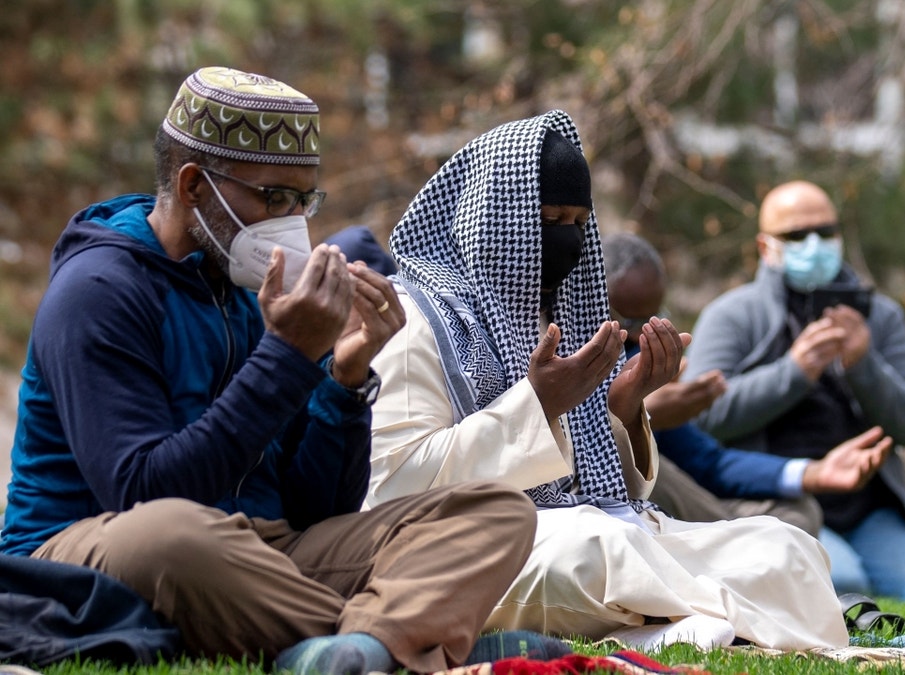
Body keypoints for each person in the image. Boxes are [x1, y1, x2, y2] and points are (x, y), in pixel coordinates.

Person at [0, 66, 544, 675]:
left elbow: (316, 511)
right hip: (92, 548)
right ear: (193, 186)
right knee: (172, 535)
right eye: (272, 196)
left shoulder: (250, 286)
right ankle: (401, 641)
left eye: (304, 199)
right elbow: (142, 492)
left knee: (494, 510)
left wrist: (345, 378)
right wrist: (285, 355)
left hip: (258, 552)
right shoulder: (99, 289)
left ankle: (358, 651)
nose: (292, 220)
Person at [368, 110, 847, 651]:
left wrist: (621, 409)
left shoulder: (552, 313)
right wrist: (537, 406)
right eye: (551, 220)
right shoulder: (415, 320)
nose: (568, 242)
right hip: (473, 548)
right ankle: (701, 619)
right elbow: (393, 490)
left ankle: (680, 620)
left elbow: (600, 486)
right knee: (599, 550)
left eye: (578, 223)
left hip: (598, 529)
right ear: (492, 222)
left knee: (782, 546)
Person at [685, 180, 905, 602]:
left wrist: (864, 363)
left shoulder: (878, 315)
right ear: (764, 247)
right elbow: (701, 418)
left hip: (868, 507)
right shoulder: (731, 316)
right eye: (795, 235)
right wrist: (794, 372)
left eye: (825, 232)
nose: (813, 244)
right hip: (779, 501)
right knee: (844, 584)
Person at [603, 231, 893, 536]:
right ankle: (734, 546)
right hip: (628, 513)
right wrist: (638, 417)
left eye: (653, 319)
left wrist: (813, 472)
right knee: (647, 469)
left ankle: (735, 546)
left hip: (698, 513)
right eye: (626, 324)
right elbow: (581, 463)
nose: (639, 337)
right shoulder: (731, 315)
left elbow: (708, 462)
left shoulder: (646, 357)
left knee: (799, 515)